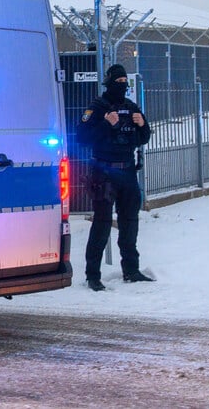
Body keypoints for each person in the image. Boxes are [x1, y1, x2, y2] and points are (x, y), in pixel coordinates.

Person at [77, 64, 153, 291]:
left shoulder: (131, 107)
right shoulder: (98, 107)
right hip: (104, 172)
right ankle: (93, 275)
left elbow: (142, 138)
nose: (122, 86)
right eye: (118, 82)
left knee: (130, 224)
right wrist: (105, 124)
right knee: (101, 224)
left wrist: (143, 125)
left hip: (127, 171)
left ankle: (131, 270)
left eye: (124, 83)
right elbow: (82, 136)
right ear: (109, 83)